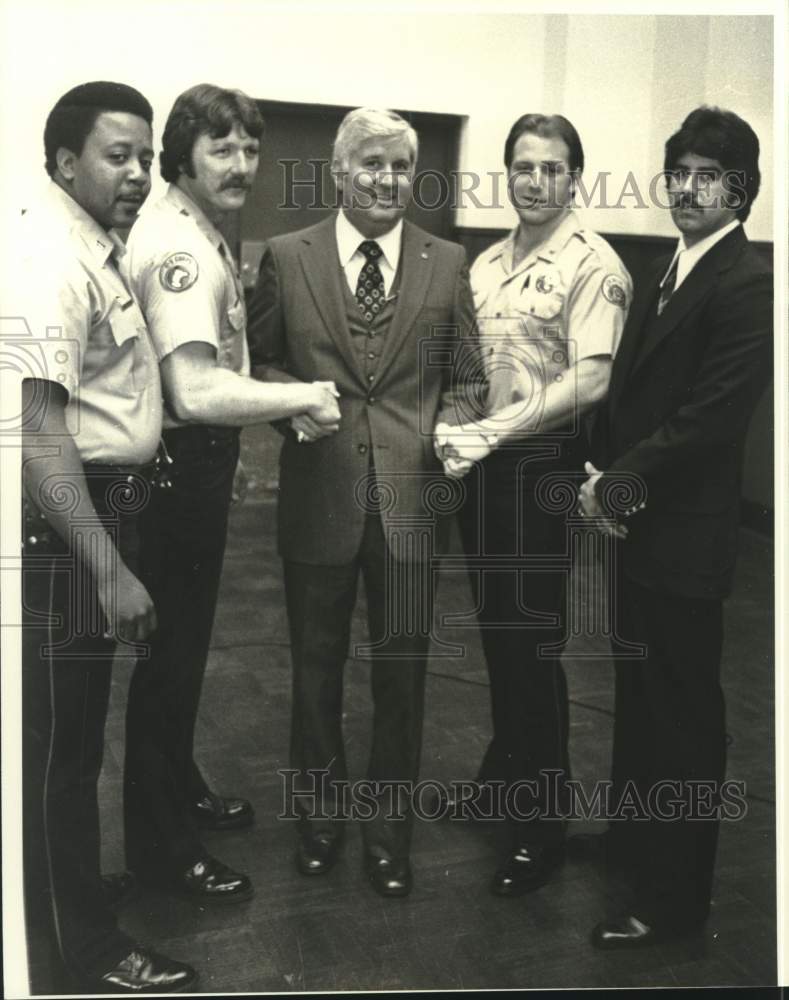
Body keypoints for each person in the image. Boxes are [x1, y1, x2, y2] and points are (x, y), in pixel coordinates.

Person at [247, 106, 476, 897]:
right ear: (339, 172)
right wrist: (291, 400)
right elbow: (261, 366)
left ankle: (389, 835)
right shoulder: (285, 256)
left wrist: (450, 425)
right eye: (371, 165)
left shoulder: (447, 264)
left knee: (402, 679)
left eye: (400, 167)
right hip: (319, 501)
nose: (387, 181)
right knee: (315, 674)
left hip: (412, 507)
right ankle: (318, 818)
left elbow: (468, 380)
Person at [124, 84, 340, 904]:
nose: (242, 164)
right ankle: (163, 853)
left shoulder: (194, 228)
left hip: (192, 476)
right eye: (223, 149)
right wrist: (301, 399)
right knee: (169, 669)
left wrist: (276, 409)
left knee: (176, 660)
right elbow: (197, 392)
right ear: (182, 156)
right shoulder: (178, 247)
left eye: (251, 149)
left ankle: (179, 792)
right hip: (176, 479)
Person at [15, 81, 196, 994]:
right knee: (60, 754)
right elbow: (38, 439)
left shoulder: (94, 245)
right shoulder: (50, 255)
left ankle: (70, 890)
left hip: (99, 511)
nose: (136, 173)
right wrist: (111, 569)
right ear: (64, 162)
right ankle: (77, 950)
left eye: (145, 155)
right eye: (115, 156)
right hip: (69, 529)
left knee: (72, 746)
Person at [578, 106, 772, 947]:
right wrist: (601, 476)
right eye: (680, 172)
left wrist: (617, 486)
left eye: (709, 176)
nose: (688, 188)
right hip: (636, 528)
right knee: (639, 696)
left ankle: (673, 900)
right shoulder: (665, 263)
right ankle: (633, 842)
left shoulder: (747, 281)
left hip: (682, 537)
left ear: (740, 191)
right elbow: (628, 395)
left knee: (683, 716)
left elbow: (707, 420)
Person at [434, 114, 631, 895]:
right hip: (484, 466)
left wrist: (491, 433)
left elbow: (590, 380)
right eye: (521, 166)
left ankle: (540, 825)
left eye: (551, 168)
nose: (534, 181)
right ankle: (500, 781)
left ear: (573, 176)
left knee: (532, 644)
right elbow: (468, 369)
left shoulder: (593, 264)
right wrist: (457, 428)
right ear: (506, 173)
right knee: (499, 635)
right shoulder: (485, 264)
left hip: (538, 471)